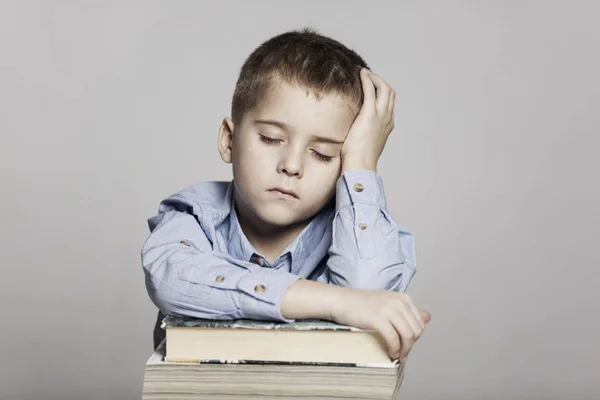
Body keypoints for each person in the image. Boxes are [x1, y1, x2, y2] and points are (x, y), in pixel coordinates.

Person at [141, 27, 431, 361]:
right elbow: (174, 279)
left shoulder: (368, 233)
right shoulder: (194, 216)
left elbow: (369, 292)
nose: (291, 166)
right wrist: (335, 302)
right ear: (228, 140)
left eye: (323, 154)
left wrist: (362, 163)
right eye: (270, 138)